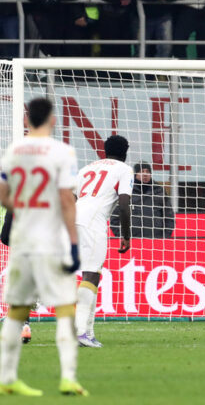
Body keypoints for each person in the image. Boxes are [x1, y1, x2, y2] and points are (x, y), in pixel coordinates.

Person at [0, 97, 87, 396]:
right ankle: (68, 377)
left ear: (26, 120)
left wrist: (23, 209)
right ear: (52, 119)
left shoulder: (13, 151)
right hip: (49, 238)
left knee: (17, 310)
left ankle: (6, 378)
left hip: (22, 238)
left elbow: (3, 195)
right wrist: (73, 243)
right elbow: (66, 201)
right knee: (64, 308)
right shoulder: (61, 152)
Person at [72, 135, 133, 348]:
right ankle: (79, 331)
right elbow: (124, 204)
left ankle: (87, 332)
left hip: (73, 218)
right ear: (125, 151)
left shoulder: (87, 168)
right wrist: (125, 235)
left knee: (91, 274)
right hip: (94, 222)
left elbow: (72, 196)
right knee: (90, 273)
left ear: (105, 150)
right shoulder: (124, 169)